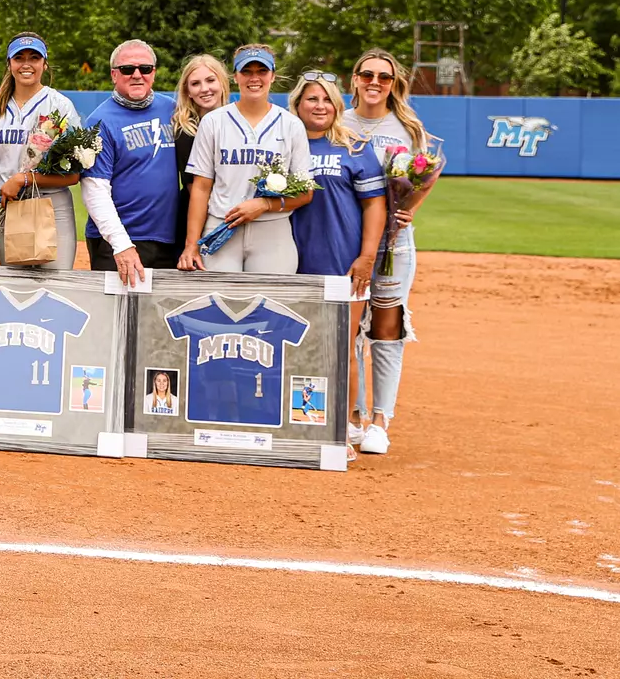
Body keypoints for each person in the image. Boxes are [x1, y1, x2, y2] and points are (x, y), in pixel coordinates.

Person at [339, 48, 443, 456]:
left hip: (393, 245)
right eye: (367, 75)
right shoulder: (338, 122)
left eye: (384, 77)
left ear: (394, 84)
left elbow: (430, 171)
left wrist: (409, 210)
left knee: (386, 328)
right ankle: (353, 416)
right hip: (349, 241)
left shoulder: (406, 127)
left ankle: (380, 421)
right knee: (349, 332)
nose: (374, 83)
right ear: (355, 79)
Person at [179, 45, 313, 274]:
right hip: (221, 226)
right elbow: (201, 188)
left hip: (272, 231)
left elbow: (306, 192)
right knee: (220, 305)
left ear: (273, 75)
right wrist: (191, 244)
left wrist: (264, 204)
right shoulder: (213, 121)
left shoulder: (290, 124)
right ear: (235, 77)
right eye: (246, 71)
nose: (254, 78)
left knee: (270, 306)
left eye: (261, 71)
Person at [0, 34, 81, 268]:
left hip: (52, 204)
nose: (26, 64)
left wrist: (25, 178)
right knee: (16, 293)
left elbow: (74, 175)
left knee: (57, 289)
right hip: (9, 205)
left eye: (34, 57)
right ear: (9, 64)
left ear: (44, 63)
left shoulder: (60, 106)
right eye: (19, 58)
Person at [80, 40, 181, 287]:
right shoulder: (99, 121)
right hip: (120, 241)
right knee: (116, 320)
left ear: (154, 73)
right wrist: (121, 244)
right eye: (127, 69)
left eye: (145, 68)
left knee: (159, 320)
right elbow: (94, 189)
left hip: (169, 238)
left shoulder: (173, 109)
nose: (137, 75)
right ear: (114, 75)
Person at [290, 72, 385, 295]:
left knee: (342, 330)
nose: (320, 106)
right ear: (297, 104)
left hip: (342, 258)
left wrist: (367, 257)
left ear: (337, 106)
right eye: (312, 99)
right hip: (289, 259)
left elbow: (374, 205)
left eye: (328, 100)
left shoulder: (355, 147)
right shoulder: (282, 146)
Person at [171, 54, 229, 247]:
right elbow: (193, 185)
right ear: (187, 91)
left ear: (222, 82)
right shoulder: (185, 129)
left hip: (236, 214)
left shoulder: (239, 121)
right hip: (199, 216)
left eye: (210, 80)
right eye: (195, 83)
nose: (205, 89)